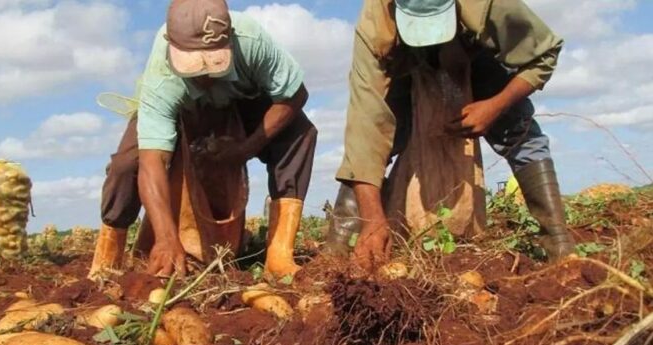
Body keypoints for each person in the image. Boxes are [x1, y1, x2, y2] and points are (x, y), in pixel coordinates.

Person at [327, 0, 575, 270]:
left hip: (476, 52)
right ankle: (337, 253)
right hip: (401, 60)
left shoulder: (489, 4)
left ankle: (559, 244)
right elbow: (366, 123)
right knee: (375, 144)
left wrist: (496, 105)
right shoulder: (375, 23)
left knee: (520, 133)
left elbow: (543, 54)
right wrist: (373, 220)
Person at [89, 0, 317, 279]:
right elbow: (153, 162)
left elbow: (295, 94)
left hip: (240, 100)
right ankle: (107, 261)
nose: (205, 77)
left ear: (230, 41)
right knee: (127, 163)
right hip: (182, 110)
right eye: (194, 70)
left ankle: (279, 254)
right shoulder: (162, 76)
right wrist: (166, 239)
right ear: (171, 46)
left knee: (298, 133)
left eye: (213, 65)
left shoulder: (251, 41)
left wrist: (246, 149)